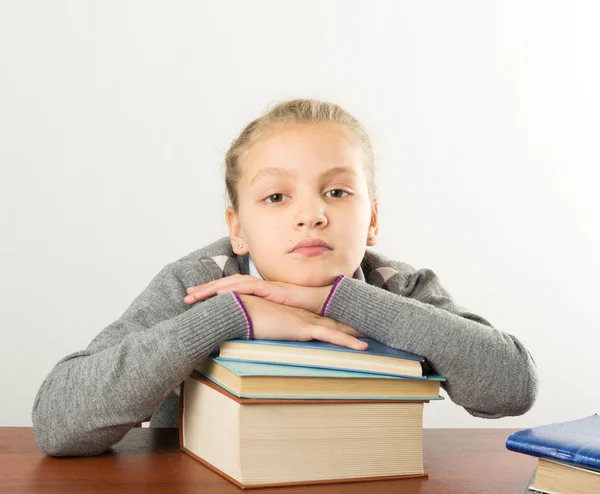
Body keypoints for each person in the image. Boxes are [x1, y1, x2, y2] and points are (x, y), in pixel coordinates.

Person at [32, 98, 538, 457]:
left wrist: (337, 300)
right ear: (238, 230)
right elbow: (59, 424)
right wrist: (230, 316)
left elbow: (511, 388)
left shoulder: (395, 286)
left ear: (374, 219)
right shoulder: (204, 282)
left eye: (338, 192)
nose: (311, 215)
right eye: (276, 197)